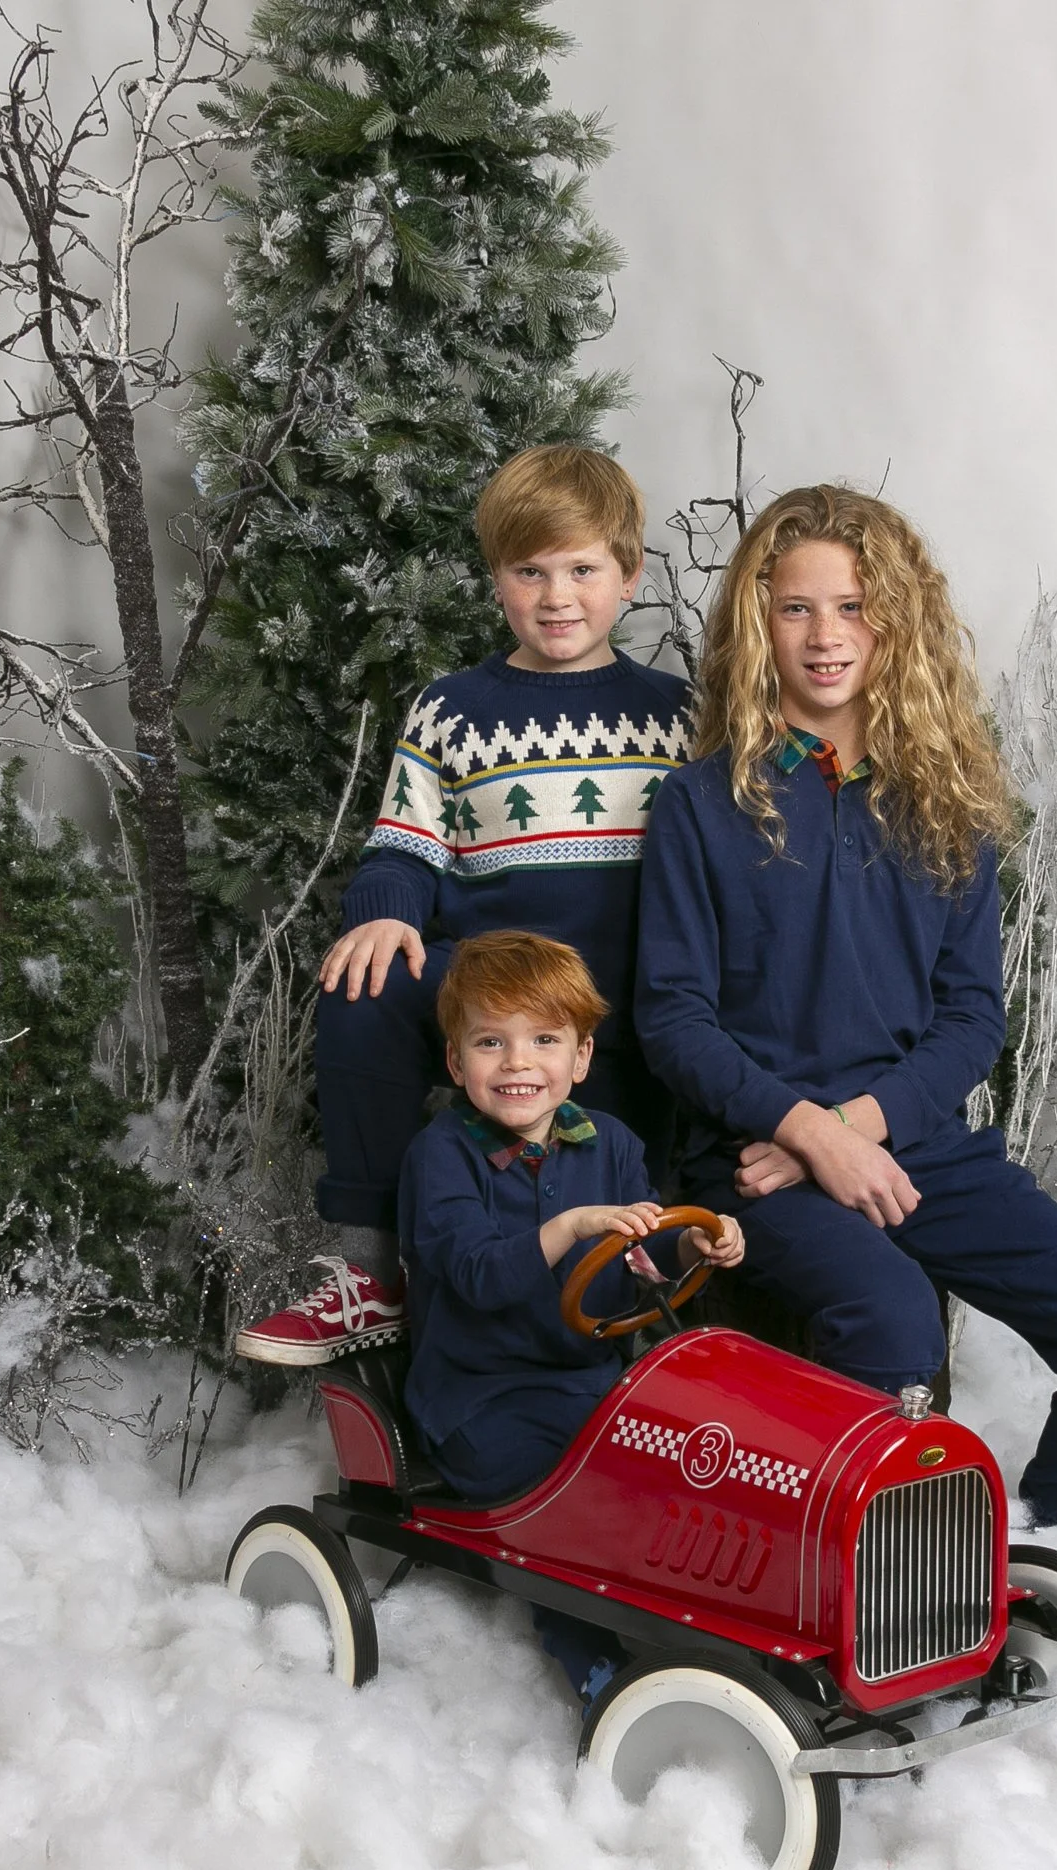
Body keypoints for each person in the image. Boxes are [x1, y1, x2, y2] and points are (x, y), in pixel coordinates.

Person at [634, 485, 1057, 1529]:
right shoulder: (700, 804)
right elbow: (673, 1019)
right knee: (891, 1326)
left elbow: (972, 1019)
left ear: (896, 620)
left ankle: (1044, 1536)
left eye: (851, 606)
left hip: (912, 1140)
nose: (824, 635)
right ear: (757, 623)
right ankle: (845, 1576)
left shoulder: (946, 801)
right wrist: (802, 1132)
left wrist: (849, 1132)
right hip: (753, 1158)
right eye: (794, 607)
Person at [238, 446, 691, 1367]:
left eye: (582, 570)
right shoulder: (452, 711)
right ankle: (370, 1272)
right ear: (496, 581)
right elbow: (405, 841)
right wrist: (386, 909)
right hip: (495, 981)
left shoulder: (678, 714)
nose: (557, 596)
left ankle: (665, 1293)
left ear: (629, 577)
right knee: (366, 981)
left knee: (624, 1182)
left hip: (626, 999)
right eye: (530, 572)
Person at [399, 929, 744, 1697]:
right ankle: (590, 1661)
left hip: (591, 1382)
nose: (518, 1062)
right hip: (480, 1398)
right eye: (491, 1042)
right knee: (566, 1510)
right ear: (457, 1063)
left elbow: (639, 1264)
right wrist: (569, 1226)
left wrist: (696, 1245)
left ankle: (723, 1627)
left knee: (696, 1466)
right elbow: (476, 1274)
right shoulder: (441, 1155)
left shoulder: (611, 1145)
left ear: (581, 1058)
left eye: (544, 1039)